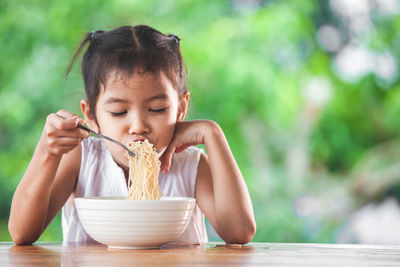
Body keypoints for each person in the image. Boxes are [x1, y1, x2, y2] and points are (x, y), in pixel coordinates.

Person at [8, 25, 256, 245]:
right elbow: (21, 233)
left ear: (181, 108)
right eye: (118, 112)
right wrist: (46, 152)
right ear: (92, 116)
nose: (138, 126)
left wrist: (213, 134)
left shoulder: (190, 165)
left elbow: (239, 233)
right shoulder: (81, 159)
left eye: (157, 109)